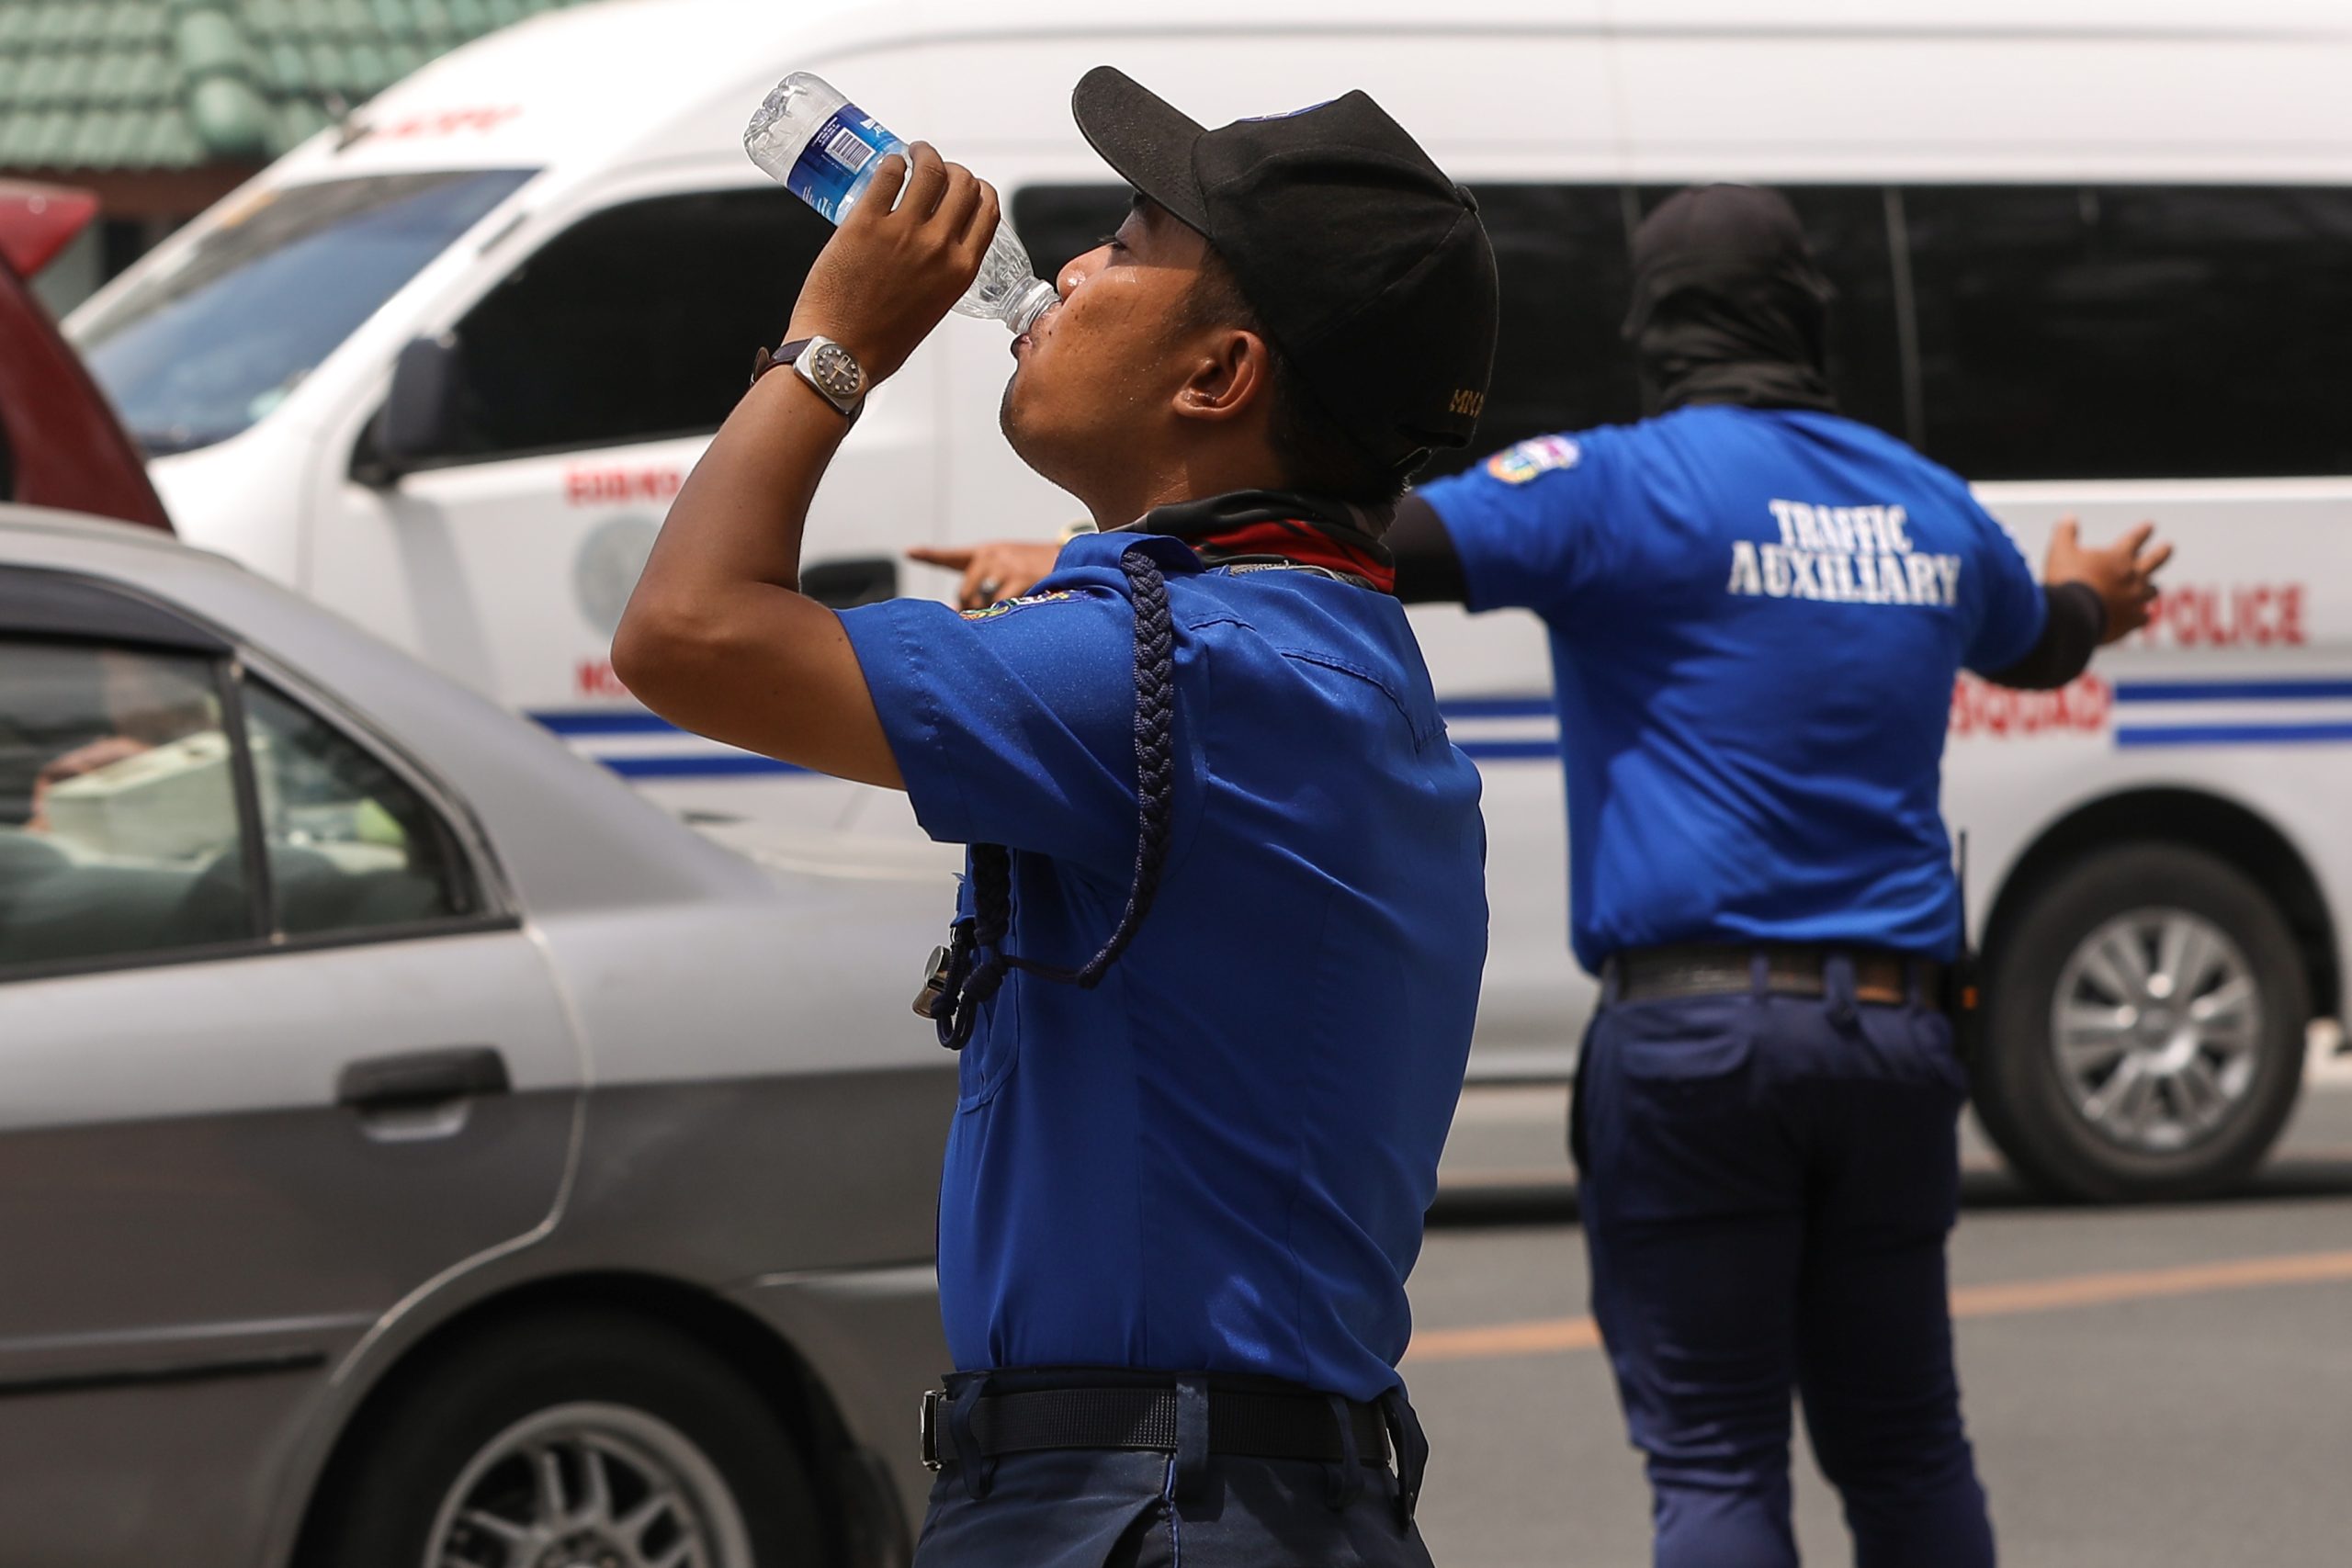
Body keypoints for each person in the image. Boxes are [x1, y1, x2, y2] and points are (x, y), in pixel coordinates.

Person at [612, 67, 1498, 1568]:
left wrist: (834, 347)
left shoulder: (1181, 668)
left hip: (1146, 1509)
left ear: (1218, 376)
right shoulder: (1302, 650)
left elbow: (685, 633)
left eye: (1131, 241)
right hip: (1237, 1499)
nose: (1068, 264)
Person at [1382, 186, 2168, 1567]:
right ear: (1810, 318)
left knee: (1716, 1462)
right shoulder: (1925, 500)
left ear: (1652, 329)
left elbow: (1374, 550)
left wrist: (1110, 556)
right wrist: (2094, 591)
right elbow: (2043, 642)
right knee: (1911, 1447)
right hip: (1899, 1038)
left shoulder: (1620, 482)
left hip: (1694, 1044)